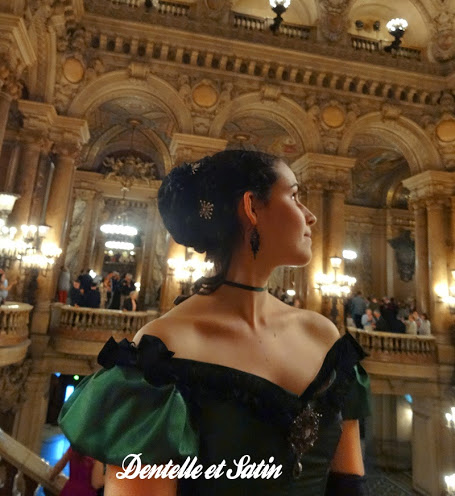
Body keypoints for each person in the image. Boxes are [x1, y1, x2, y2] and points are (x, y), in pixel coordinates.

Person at [59, 150, 370, 495]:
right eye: (295, 196)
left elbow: (348, 483)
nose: (309, 216)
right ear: (252, 207)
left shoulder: (324, 336)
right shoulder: (163, 349)